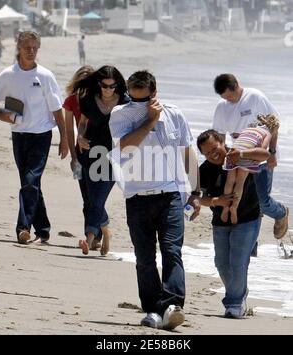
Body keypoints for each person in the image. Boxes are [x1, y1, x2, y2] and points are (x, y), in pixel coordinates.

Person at [109, 70, 201, 330]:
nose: (138, 105)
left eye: (144, 100)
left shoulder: (174, 113)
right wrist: (149, 120)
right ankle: (152, 309)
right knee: (145, 258)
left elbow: (187, 152)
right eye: (133, 99)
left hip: (171, 195)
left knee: (172, 251)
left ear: (154, 93)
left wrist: (196, 192)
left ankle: (172, 306)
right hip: (137, 197)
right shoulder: (121, 114)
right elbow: (124, 147)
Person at [0, 31, 68, 244]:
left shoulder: (45, 76)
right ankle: (43, 229)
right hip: (18, 135)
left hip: (41, 135)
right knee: (30, 183)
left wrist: (63, 139)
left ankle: (22, 228)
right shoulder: (8, 74)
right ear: (19, 47)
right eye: (27, 47)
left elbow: (57, 109)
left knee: (30, 180)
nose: (31, 51)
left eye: (35, 47)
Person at [197, 129, 270, 318]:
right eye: (207, 152)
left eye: (215, 148)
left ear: (222, 142)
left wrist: (243, 153)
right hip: (220, 221)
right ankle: (240, 292)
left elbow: (265, 155)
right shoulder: (203, 170)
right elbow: (196, 198)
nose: (213, 154)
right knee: (221, 263)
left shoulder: (240, 154)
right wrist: (216, 201)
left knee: (238, 261)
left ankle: (234, 304)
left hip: (249, 217)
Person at [213, 73, 289, 241]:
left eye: (230, 96)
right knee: (244, 203)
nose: (228, 101)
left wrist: (272, 154)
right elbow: (218, 136)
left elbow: (273, 126)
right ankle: (250, 247)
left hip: (261, 158)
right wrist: (221, 159)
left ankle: (281, 213)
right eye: (224, 98)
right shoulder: (222, 106)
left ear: (236, 86)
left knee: (262, 202)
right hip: (237, 156)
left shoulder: (254, 97)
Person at [77, 65, 128, 256]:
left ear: (117, 85)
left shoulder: (124, 101)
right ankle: (106, 232)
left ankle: (89, 239)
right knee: (92, 199)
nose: (108, 90)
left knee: (98, 199)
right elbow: (82, 124)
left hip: (114, 157)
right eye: (104, 86)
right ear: (98, 84)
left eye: (112, 86)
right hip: (91, 153)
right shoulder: (89, 100)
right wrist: (79, 137)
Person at [63, 65, 103, 251]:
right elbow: (69, 129)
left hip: (100, 153)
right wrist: (73, 156)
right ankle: (94, 234)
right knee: (86, 196)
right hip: (80, 155)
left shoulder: (101, 99)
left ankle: (93, 235)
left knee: (96, 195)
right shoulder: (71, 101)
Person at [221, 114, 280, 225]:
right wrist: (256, 159)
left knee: (230, 181)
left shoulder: (248, 128)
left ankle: (225, 206)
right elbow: (262, 149)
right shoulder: (267, 133)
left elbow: (237, 137)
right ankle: (234, 207)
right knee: (240, 182)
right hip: (246, 154)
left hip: (234, 151)